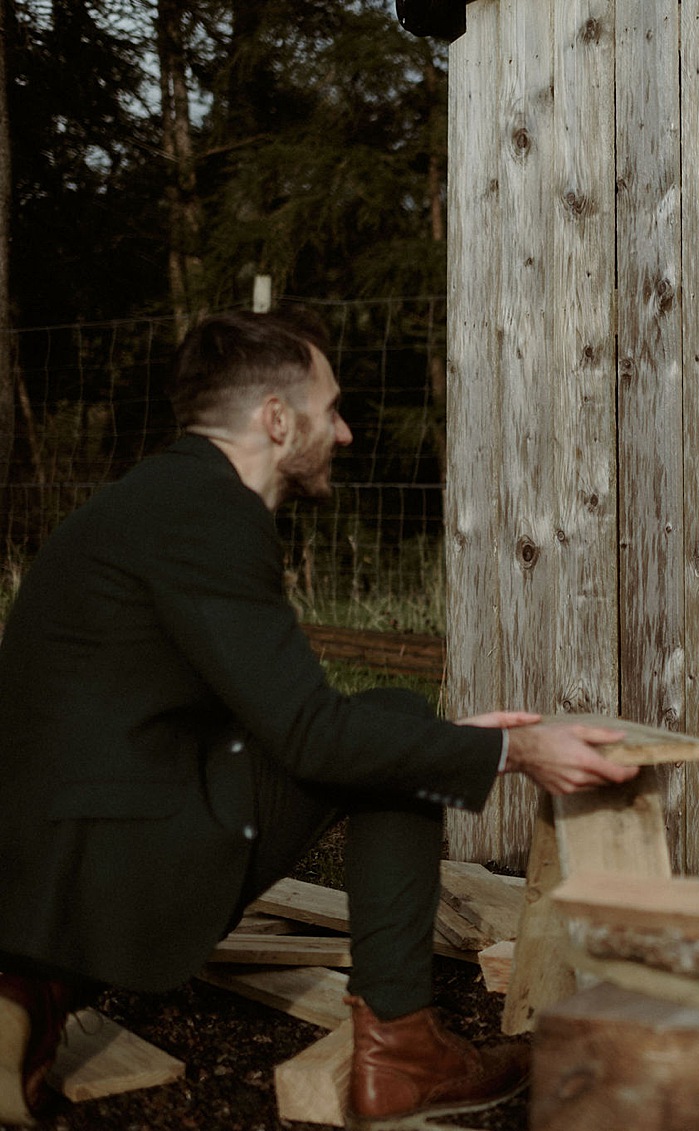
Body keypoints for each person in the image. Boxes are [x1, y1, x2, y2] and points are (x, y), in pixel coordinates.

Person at [0, 308, 640, 1127]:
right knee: (393, 716)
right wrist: (514, 748)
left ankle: (33, 987)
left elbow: (257, 714)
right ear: (276, 417)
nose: (341, 432)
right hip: (100, 865)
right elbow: (313, 735)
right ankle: (404, 1052)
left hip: (43, 858)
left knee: (396, 733)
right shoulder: (211, 514)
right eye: (329, 408)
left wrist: (447, 744)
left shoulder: (151, 499)